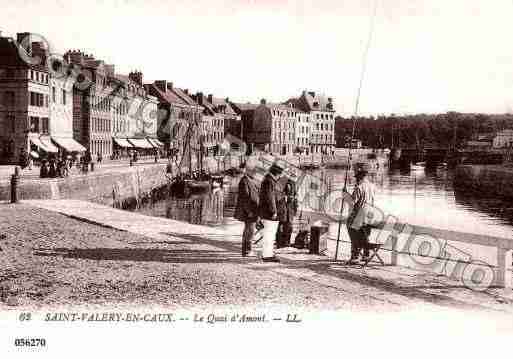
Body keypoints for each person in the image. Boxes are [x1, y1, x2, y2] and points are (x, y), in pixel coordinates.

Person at [347, 166, 376, 264]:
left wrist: (345, 194)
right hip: (370, 215)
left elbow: (352, 202)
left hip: (359, 214)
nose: (356, 179)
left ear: (360, 177)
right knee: (366, 234)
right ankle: (366, 255)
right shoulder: (372, 186)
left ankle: (355, 256)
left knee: (352, 230)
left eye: (357, 177)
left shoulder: (358, 187)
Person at [258, 161, 284, 262]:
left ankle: (268, 253)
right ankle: (267, 255)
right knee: (269, 234)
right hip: (269, 213)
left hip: (266, 212)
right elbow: (270, 197)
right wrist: (274, 211)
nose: (280, 177)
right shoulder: (270, 181)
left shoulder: (268, 180)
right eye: (280, 174)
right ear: (277, 173)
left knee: (269, 234)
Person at [233, 160, 260, 257]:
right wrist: (249, 211)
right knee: (249, 231)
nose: (255, 174)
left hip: (252, 210)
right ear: (249, 171)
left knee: (250, 230)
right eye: (254, 172)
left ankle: (248, 249)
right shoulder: (244, 181)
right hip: (249, 211)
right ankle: (247, 250)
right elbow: (245, 198)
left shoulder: (251, 181)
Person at [276, 173, 298, 248]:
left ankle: (286, 243)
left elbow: (295, 196)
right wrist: (286, 198)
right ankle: (280, 243)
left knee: (289, 227)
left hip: (290, 209)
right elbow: (278, 195)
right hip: (282, 208)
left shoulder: (293, 184)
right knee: (281, 226)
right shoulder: (281, 181)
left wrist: (295, 208)